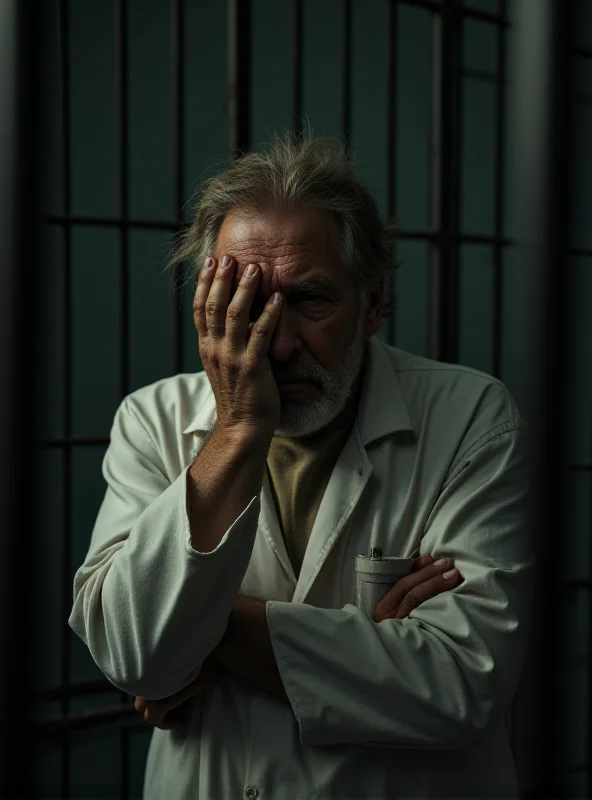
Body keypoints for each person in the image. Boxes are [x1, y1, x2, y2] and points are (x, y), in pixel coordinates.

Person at [69, 133, 533, 800]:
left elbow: (463, 683)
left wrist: (207, 627)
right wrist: (234, 430)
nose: (276, 343)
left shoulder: (472, 418)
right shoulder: (153, 421)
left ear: (372, 304)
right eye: (244, 302)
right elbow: (138, 656)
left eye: (310, 300)